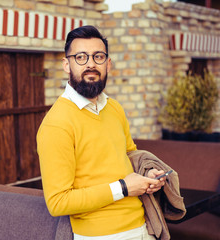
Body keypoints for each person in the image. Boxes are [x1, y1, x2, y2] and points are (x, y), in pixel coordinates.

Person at [36, 25, 167, 239]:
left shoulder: (114, 108)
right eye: (80, 57)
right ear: (66, 65)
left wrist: (146, 177)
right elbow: (58, 202)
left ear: (108, 64)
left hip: (143, 228)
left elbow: (129, 157)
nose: (90, 64)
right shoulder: (56, 124)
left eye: (98, 56)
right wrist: (124, 188)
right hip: (100, 235)